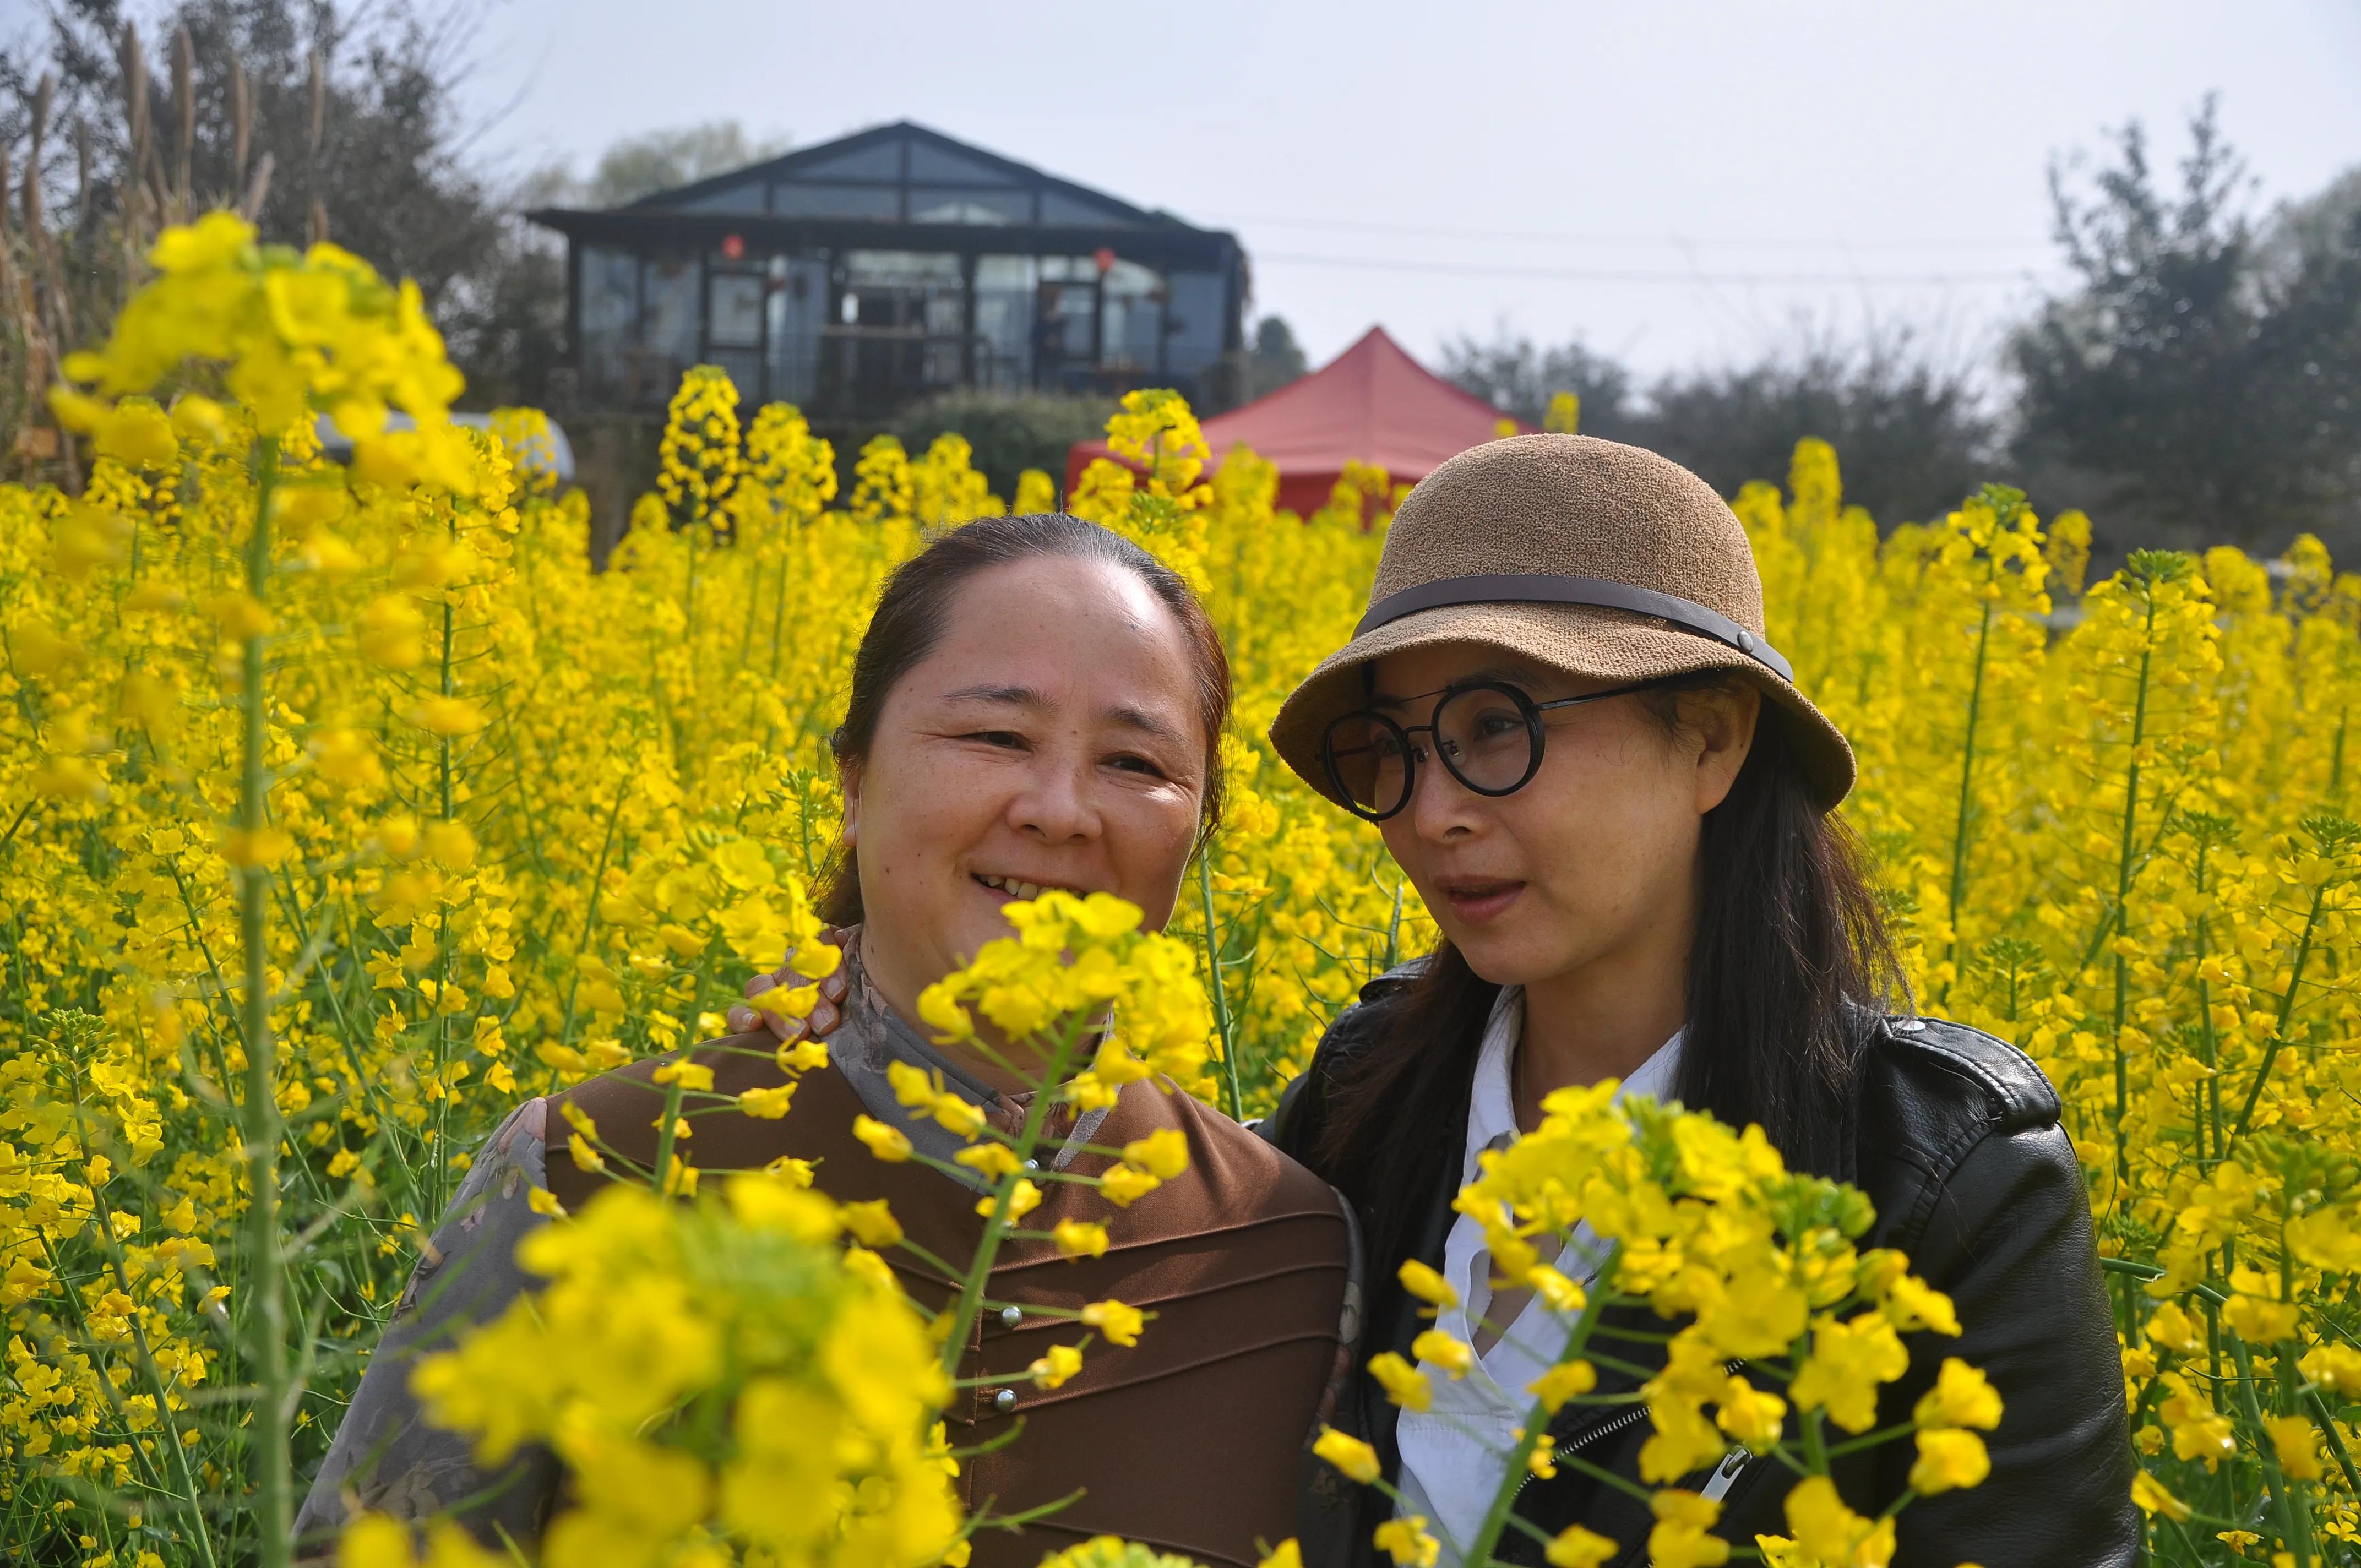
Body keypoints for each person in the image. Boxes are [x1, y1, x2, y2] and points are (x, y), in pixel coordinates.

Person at [295, 513, 1355, 1568]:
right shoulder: (585, 1168)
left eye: (1135, 762)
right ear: (852, 785)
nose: (1059, 809)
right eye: (995, 737)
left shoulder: (1295, 1252)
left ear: (1200, 828)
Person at [1248, 434, 2136, 1566]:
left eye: (1495, 727)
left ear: (1711, 739)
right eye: (1391, 749)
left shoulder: (1948, 1175)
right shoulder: (1361, 1087)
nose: (1429, 814)